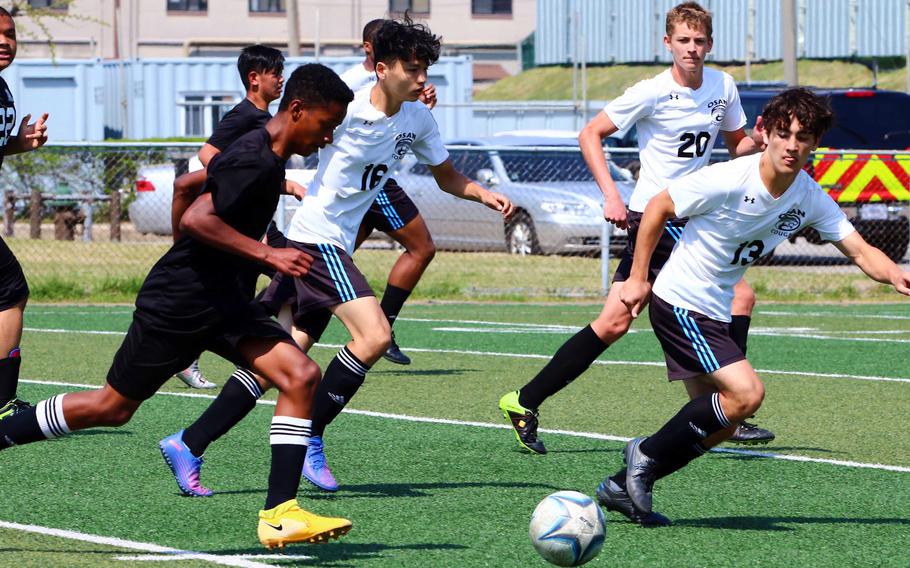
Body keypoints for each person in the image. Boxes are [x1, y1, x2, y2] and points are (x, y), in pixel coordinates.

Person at [0, 64, 356, 550]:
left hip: (226, 301)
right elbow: (197, 216)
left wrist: (234, 253)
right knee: (112, 407)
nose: (328, 136)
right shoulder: (255, 158)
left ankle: (280, 515)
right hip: (181, 303)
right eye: (325, 123)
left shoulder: (265, 155)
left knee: (300, 376)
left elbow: (188, 188)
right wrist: (266, 254)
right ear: (297, 110)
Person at [160, 16, 514, 497]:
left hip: (331, 244)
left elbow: (447, 176)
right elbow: (281, 134)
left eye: (427, 69)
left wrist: (482, 193)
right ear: (383, 68)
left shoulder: (419, 119)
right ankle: (309, 436)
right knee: (373, 336)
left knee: (282, 359)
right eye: (413, 68)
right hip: (314, 240)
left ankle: (190, 441)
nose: (423, 78)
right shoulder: (344, 105)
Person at [498, 1, 772, 483]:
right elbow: (591, 133)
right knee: (705, 302)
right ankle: (725, 407)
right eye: (684, 40)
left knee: (632, 317)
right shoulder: (651, 91)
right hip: (656, 214)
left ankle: (526, 400)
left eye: (700, 41)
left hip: (694, 213)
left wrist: (763, 141)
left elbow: (737, 147)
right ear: (668, 43)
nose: (692, 48)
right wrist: (610, 193)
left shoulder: (723, 86)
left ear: (710, 44)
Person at [612, 86, 910, 522]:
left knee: (724, 421)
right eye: (784, 133)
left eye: (803, 137)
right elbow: (659, 206)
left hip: (715, 307)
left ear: (814, 143)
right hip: (679, 300)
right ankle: (644, 457)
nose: (792, 145)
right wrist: (638, 277)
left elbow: (861, 251)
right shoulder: (731, 177)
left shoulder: (807, 196)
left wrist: (899, 276)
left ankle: (628, 481)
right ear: (765, 133)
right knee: (747, 394)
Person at [171, 44, 304, 389]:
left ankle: (279, 354)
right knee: (289, 276)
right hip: (238, 224)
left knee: (280, 283)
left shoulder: (268, 120)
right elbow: (208, 153)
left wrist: (282, 184)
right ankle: (274, 356)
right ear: (254, 78)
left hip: (254, 221)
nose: (281, 79)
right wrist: (234, 178)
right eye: (276, 73)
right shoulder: (246, 115)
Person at [340, 18, 439, 366]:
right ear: (369, 49)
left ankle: (382, 328)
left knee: (327, 260)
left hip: (378, 175)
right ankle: (383, 328)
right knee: (420, 247)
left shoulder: (403, 79)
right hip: (365, 179)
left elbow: (404, 122)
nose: (419, 76)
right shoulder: (352, 83)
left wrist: (419, 106)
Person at [0, 7, 49, 420]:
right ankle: (2, 402)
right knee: (11, 292)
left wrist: (20, 142)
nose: (4, 41)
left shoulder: (2, 90)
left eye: (10, 34)